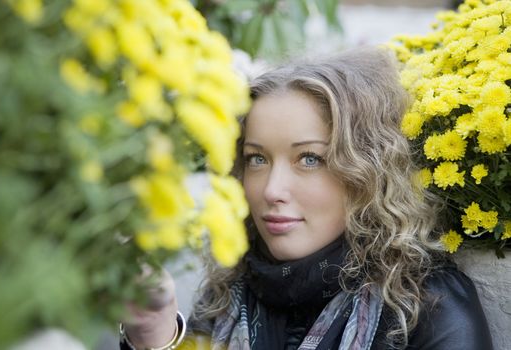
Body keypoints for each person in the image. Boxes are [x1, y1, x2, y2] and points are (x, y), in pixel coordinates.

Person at [119, 47, 493, 350]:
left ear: (367, 170)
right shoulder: (229, 294)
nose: (271, 189)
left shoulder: (427, 307)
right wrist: (154, 332)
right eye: (257, 159)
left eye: (309, 159)